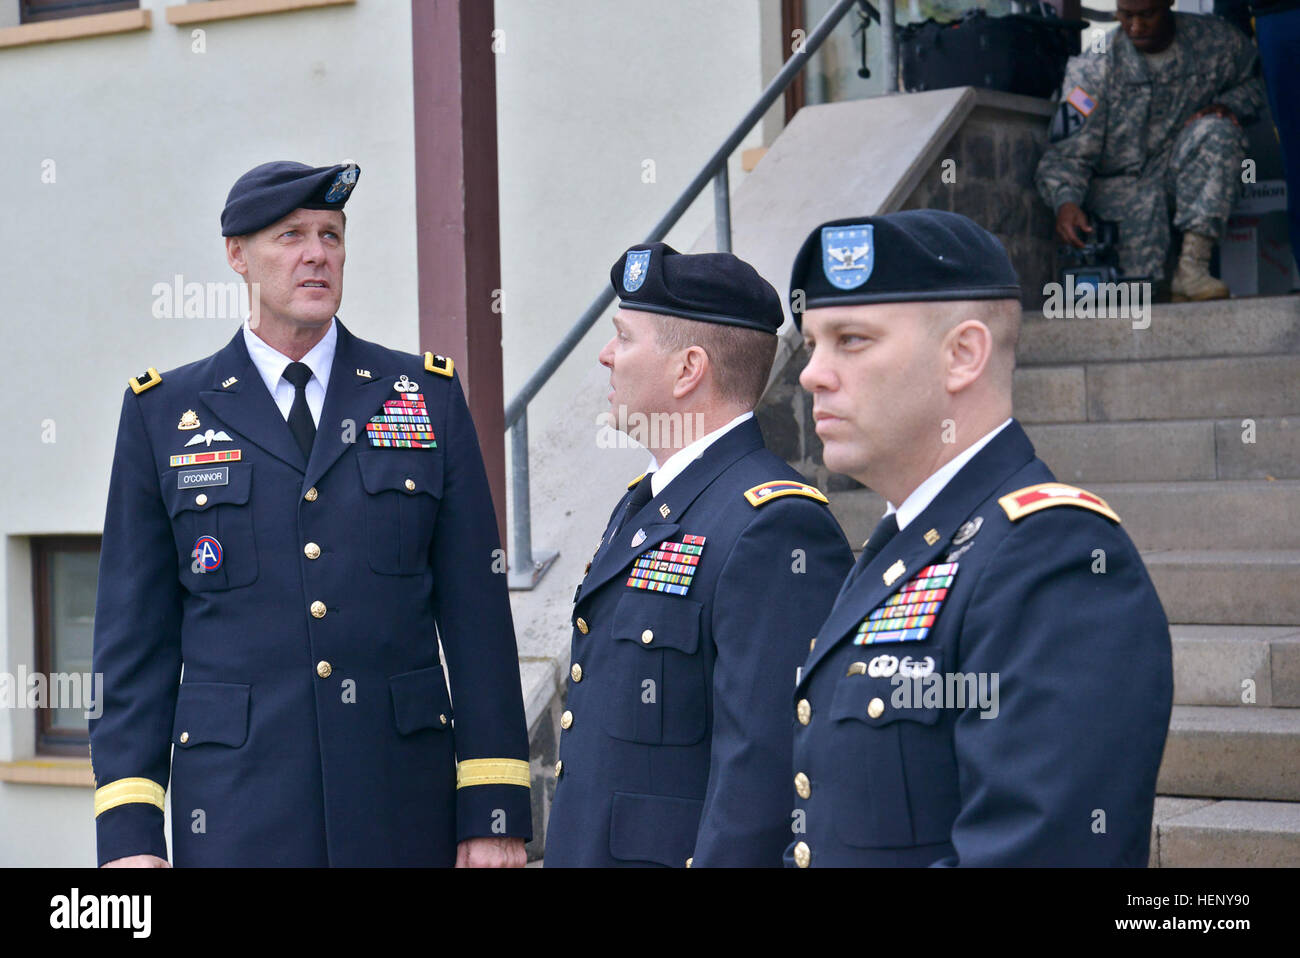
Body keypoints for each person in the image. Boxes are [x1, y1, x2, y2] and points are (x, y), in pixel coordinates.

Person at [90, 161, 531, 867]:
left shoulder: (423, 398)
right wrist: (129, 834)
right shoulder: (164, 414)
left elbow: (476, 616)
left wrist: (495, 806)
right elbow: (132, 642)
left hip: (400, 807)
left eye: (331, 234)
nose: (316, 253)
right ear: (237, 256)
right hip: (236, 812)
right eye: (290, 235)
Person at [785, 210, 1172, 867]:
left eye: (850, 340)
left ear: (962, 355)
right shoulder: (904, 547)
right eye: (812, 344)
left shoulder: (1053, 558)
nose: (812, 374)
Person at [543, 243, 853, 867]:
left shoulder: (774, 525)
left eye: (624, 338)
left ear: (688, 370)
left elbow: (762, 773)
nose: (606, 355)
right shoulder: (650, 501)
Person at [1035, 0, 1265, 301]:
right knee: (1139, 298)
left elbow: (1257, 82)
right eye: (1126, 15)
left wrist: (1230, 106)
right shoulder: (1094, 68)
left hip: (1181, 169)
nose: (1136, 26)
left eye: (1147, 15)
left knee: (1218, 131)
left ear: (1168, 3)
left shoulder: (1215, 41)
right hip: (1121, 188)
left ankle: (1193, 267)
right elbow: (1066, 149)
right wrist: (1065, 201)